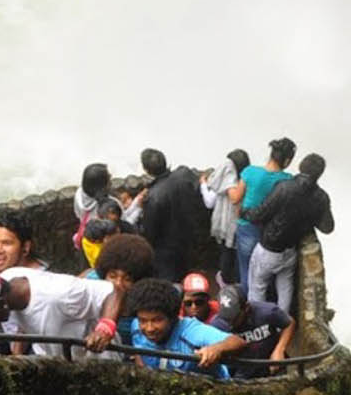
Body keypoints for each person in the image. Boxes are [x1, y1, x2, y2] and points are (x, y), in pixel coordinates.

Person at [0, 222, 122, 355]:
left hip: (95, 359)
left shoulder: (58, 293)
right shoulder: (8, 279)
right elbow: (25, 319)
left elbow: (113, 291)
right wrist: (17, 355)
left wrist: (104, 329)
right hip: (53, 358)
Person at [125, 277, 258, 380]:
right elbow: (139, 351)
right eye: (143, 320)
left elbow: (237, 341)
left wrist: (216, 349)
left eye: (157, 320)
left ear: (172, 317)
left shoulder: (191, 332)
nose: (149, 328)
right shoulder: (136, 327)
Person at [246, 153, 333, 309]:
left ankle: (259, 323)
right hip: (290, 251)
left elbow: (261, 213)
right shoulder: (321, 197)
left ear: (301, 166)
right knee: (285, 290)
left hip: (269, 248)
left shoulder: (284, 187)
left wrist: (244, 213)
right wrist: (310, 215)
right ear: (319, 174)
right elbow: (327, 227)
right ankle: (283, 324)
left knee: (257, 287)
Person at [132, 147, 208, 282]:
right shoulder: (185, 175)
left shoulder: (153, 197)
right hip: (189, 241)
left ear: (146, 170)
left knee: (170, 284)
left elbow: (150, 232)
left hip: (166, 250)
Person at [230, 137, 295, 290]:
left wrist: (227, 186)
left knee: (246, 271)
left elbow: (235, 198)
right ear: (287, 161)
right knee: (266, 275)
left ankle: (246, 306)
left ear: (271, 154)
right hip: (270, 231)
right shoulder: (288, 180)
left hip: (247, 228)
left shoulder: (250, 172)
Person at [210, 277, 295, 368]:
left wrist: (279, 349)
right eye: (227, 319)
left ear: (246, 308)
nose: (230, 323)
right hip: (240, 372)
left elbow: (289, 323)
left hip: (269, 364)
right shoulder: (217, 325)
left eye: (235, 318)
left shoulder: (266, 312)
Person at [202, 148, 250, 285]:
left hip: (224, 226)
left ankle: (225, 282)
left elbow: (209, 203)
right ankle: (238, 284)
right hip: (241, 225)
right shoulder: (245, 182)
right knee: (239, 257)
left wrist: (203, 185)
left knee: (226, 253)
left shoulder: (225, 184)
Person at [74, 163, 122, 236]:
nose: (111, 176)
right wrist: (136, 205)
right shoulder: (111, 204)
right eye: (108, 177)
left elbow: (78, 214)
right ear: (102, 185)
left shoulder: (79, 194)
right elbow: (124, 223)